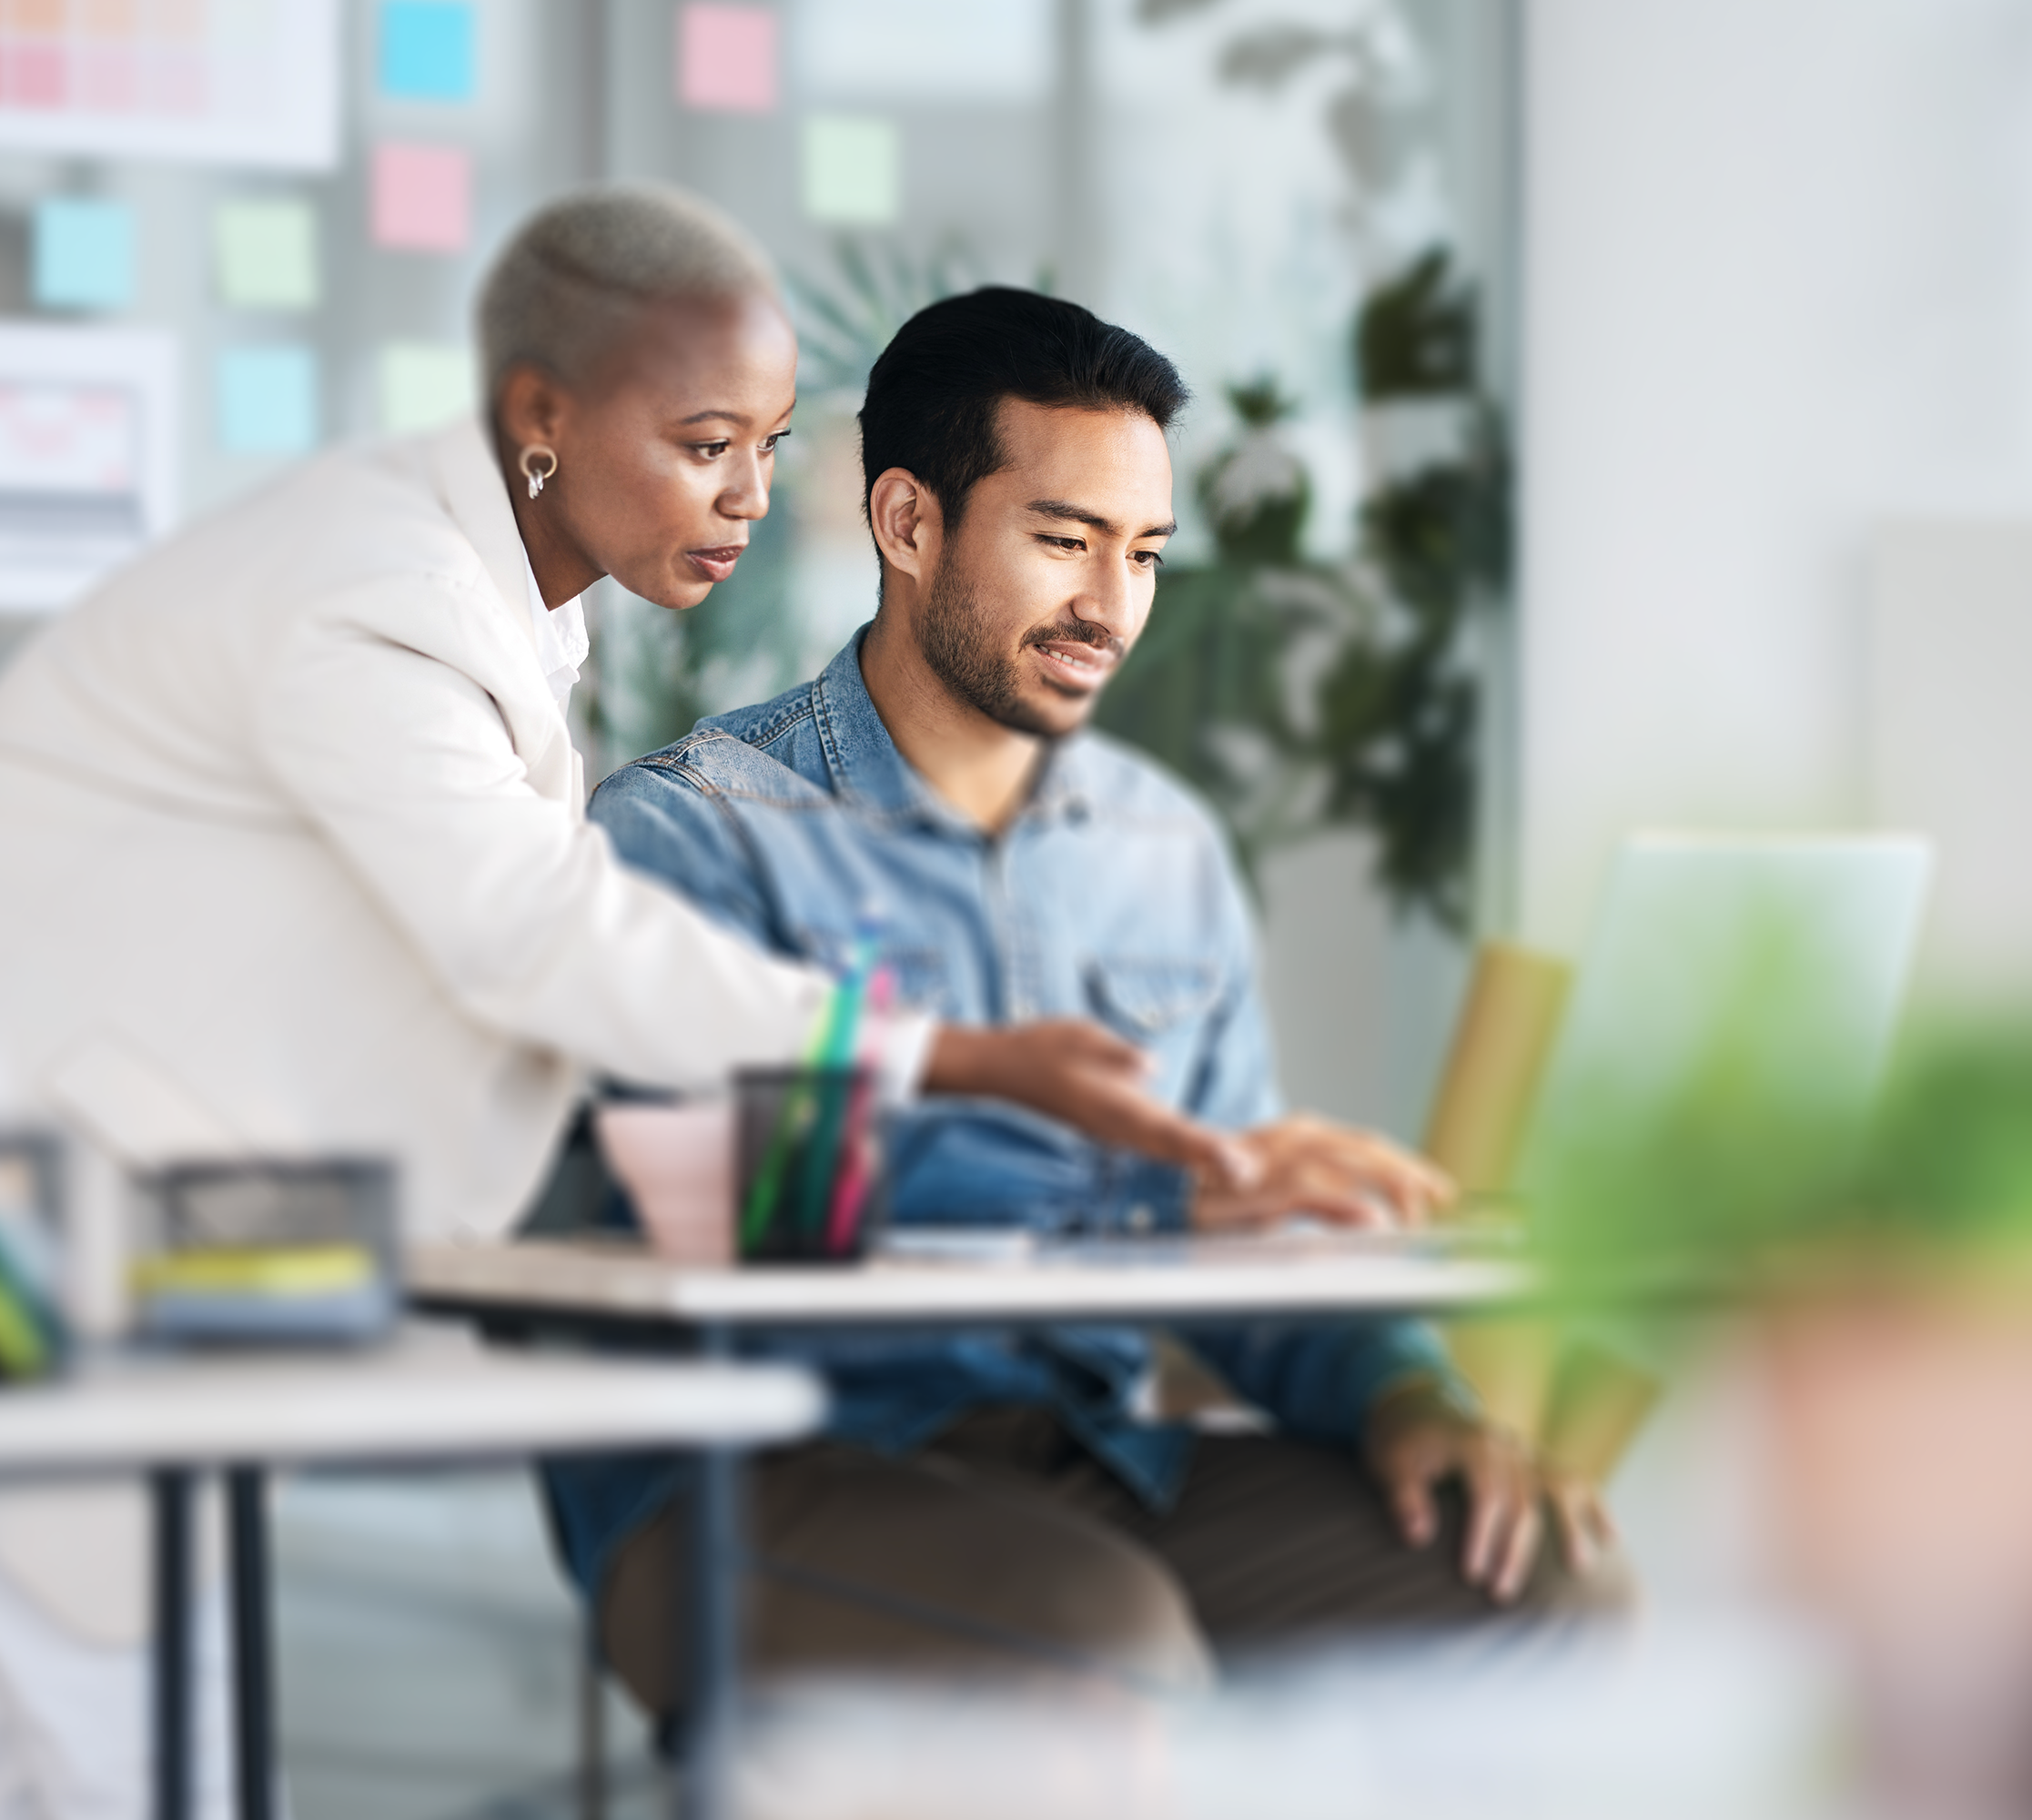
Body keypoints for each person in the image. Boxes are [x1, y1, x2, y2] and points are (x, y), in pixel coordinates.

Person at [0, 190, 1251, 1815]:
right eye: (702, 443)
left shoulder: (507, 608)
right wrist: (959, 1059)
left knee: (62, 1741)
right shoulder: (382, 594)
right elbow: (530, 936)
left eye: (765, 444)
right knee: (128, 1744)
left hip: (34, 1176)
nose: (751, 496)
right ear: (543, 419)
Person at [550, 288, 1629, 1718]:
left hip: (1092, 1467)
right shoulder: (691, 838)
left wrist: (1407, 1396)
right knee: (1097, 1644)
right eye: (1063, 542)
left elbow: (1248, 1221)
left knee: (1547, 1584)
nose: (1110, 607)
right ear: (909, 525)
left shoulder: (1162, 851)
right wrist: (1154, 1216)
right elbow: (762, 1244)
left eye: (1144, 555)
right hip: (759, 1478)